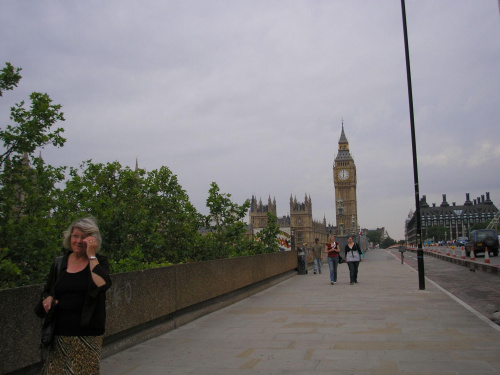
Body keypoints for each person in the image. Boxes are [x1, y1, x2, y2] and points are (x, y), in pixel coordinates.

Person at [36, 217, 112, 374]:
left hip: (87, 334)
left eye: (83, 237)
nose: (78, 240)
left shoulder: (99, 262)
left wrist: (91, 255)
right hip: (59, 334)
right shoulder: (59, 263)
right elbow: (47, 290)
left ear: (92, 240)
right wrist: (48, 298)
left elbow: (102, 285)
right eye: (75, 236)